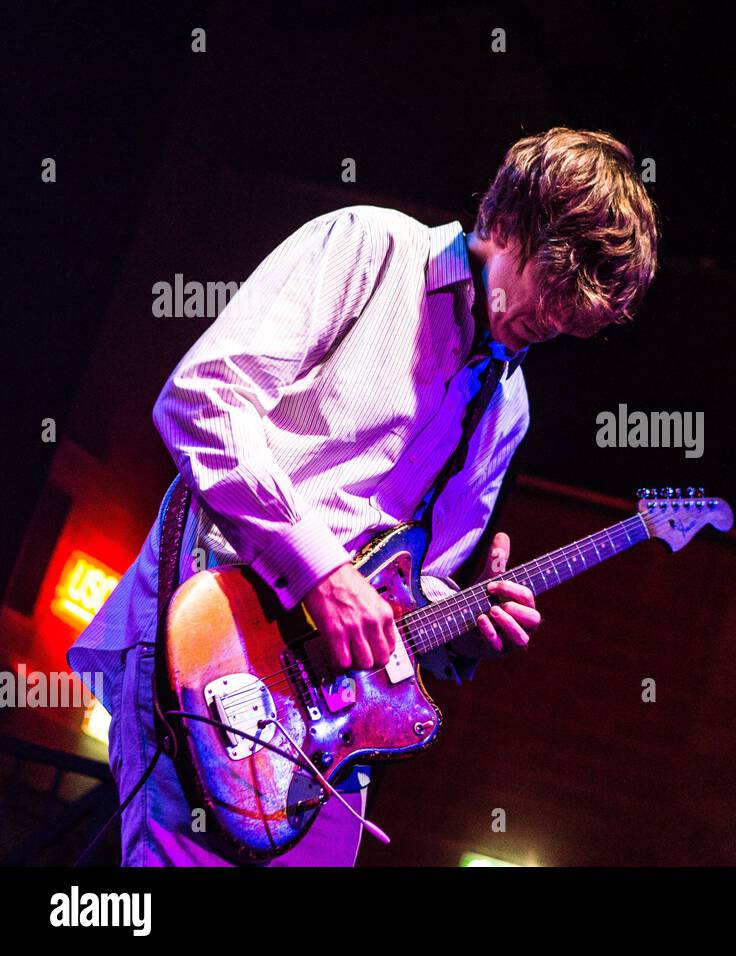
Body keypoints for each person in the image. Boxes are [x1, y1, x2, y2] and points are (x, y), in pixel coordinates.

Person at [68, 127, 659, 865]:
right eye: (549, 294)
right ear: (506, 222)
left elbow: (413, 584)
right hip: (209, 639)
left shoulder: (511, 406)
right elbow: (200, 401)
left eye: (570, 324)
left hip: (327, 721)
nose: (549, 327)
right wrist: (322, 570)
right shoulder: (367, 248)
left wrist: (468, 618)